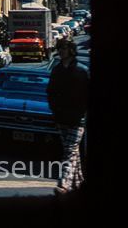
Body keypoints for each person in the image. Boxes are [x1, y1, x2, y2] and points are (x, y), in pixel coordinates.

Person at [47, 38, 89, 195]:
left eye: (64, 48)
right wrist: (54, 110)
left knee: (69, 151)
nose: (61, 51)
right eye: (59, 49)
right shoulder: (57, 70)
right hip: (60, 117)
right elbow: (50, 92)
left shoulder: (82, 71)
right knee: (72, 151)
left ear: (71, 50)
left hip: (77, 119)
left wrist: (82, 112)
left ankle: (64, 184)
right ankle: (78, 182)